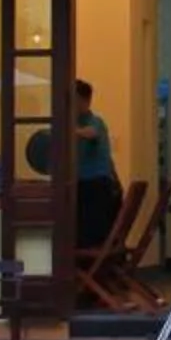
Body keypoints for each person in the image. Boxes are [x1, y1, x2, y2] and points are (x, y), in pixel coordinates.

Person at [72, 79, 122, 248]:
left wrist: (69, 130)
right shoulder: (75, 123)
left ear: (84, 100)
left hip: (95, 186)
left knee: (86, 229)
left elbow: (92, 133)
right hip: (83, 185)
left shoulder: (95, 122)